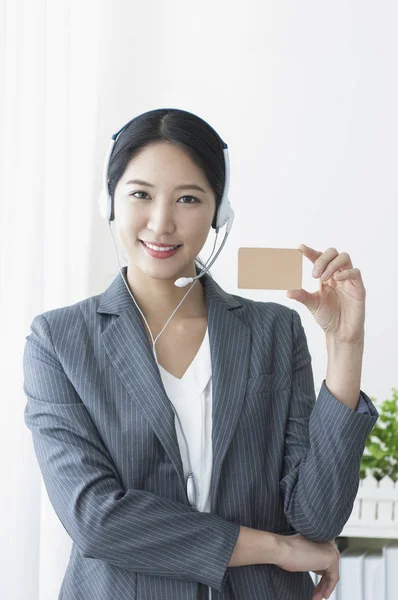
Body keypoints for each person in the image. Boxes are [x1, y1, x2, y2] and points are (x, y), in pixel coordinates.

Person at [23, 108, 379, 600]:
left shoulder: (274, 331)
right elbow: (97, 520)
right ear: (111, 201)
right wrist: (277, 549)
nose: (161, 222)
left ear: (218, 212)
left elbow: (316, 516)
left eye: (188, 198)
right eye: (140, 194)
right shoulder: (59, 342)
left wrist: (346, 345)